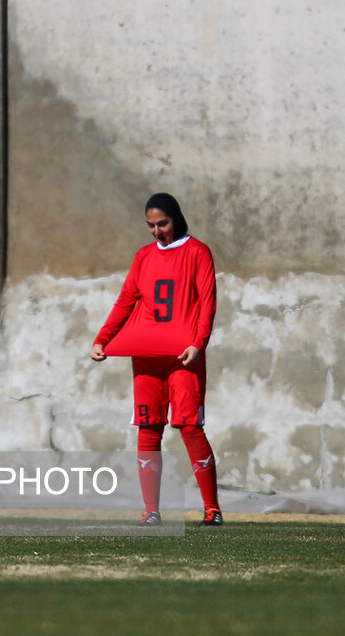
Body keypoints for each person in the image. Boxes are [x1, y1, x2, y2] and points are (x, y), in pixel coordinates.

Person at [91, 193, 223, 527]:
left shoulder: (198, 252)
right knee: (148, 427)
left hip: (184, 357)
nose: (156, 230)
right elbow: (125, 301)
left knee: (190, 426)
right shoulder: (143, 257)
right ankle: (151, 510)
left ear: (176, 218)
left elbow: (207, 302)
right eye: (150, 225)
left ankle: (212, 509)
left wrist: (198, 343)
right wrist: (102, 338)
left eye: (161, 223)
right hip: (147, 358)